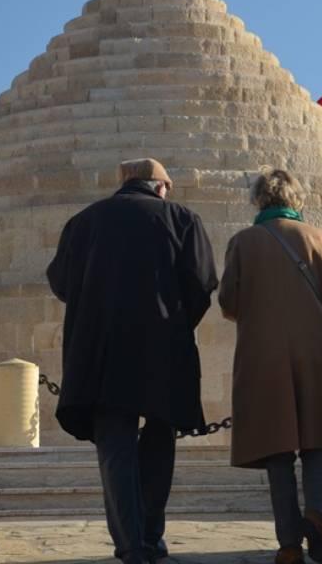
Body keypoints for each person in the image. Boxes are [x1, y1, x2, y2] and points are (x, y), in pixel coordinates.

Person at [46, 158, 218, 564]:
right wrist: (176, 322)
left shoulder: (83, 222)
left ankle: (129, 544)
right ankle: (151, 534)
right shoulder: (181, 219)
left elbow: (61, 282)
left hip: (101, 348)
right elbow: (201, 284)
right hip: (163, 346)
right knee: (160, 436)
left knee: (115, 442)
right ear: (159, 187)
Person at [218, 168, 322, 564]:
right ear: (296, 200)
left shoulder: (243, 242)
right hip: (316, 352)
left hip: (264, 355)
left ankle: (289, 545)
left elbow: (228, 302)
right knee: (316, 444)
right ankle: (314, 513)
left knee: (276, 450)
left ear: (259, 200)